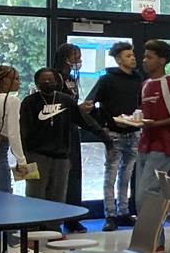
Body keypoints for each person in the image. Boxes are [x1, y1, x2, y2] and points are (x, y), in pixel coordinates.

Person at [20, 68, 110, 219]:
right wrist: (22, 156)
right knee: (34, 195)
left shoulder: (66, 100)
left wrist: (104, 137)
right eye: (43, 80)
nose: (47, 82)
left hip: (61, 157)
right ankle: (33, 227)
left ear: (57, 82)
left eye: (51, 79)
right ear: (37, 83)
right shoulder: (29, 102)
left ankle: (54, 227)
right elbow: (23, 129)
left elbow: (85, 121)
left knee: (58, 196)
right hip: (36, 156)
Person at [84, 41, 143, 230]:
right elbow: (89, 103)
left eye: (133, 55)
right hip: (113, 133)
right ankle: (110, 214)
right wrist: (104, 123)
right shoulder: (107, 80)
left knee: (126, 175)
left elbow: (141, 103)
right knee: (111, 174)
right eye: (128, 56)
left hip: (133, 132)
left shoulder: (138, 79)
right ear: (118, 60)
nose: (133, 58)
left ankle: (123, 212)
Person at [135, 40, 170, 214]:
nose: (144, 61)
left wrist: (159, 123)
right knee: (144, 192)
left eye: (149, 57)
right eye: (144, 57)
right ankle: (166, 223)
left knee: (146, 192)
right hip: (145, 143)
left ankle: (152, 230)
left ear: (162, 61)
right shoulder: (145, 85)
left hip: (165, 145)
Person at [52, 44, 92, 231]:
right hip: (58, 133)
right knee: (59, 178)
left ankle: (73, 218)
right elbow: (56, 107)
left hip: (72, 130)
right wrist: (77, 109)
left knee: (74, 175)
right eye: (76, 57)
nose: (79, 61)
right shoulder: (54, 78)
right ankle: (54, 220)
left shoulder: (71, 79)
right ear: (66, 57)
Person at [0, 65, 26, 192]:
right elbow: (13, 134)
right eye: (16, 79)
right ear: (4, 80)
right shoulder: (12, 101)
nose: (19, 82)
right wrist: (21, 161)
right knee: (5, 197)